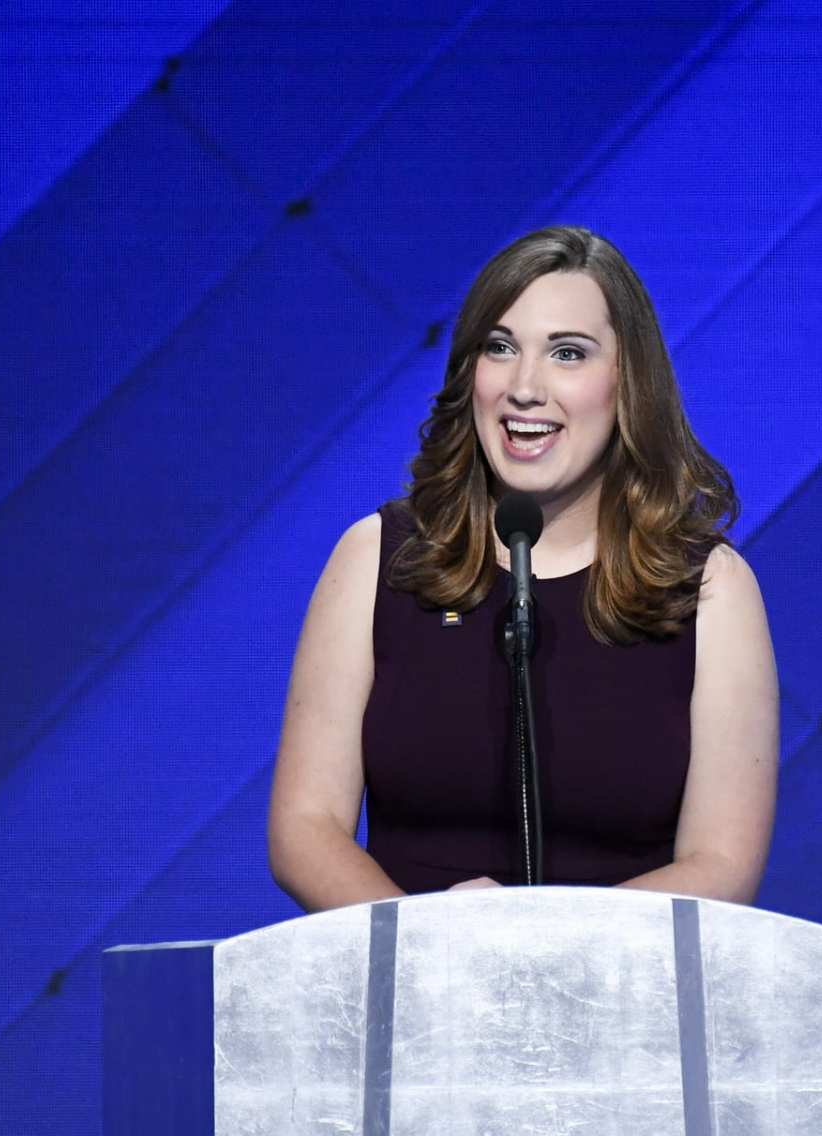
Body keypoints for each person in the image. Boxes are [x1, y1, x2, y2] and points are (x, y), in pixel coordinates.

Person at [268, 225, 777, 908]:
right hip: (411, 987)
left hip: (620, 995)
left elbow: (722, 866)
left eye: (568, 353)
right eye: (500, 348)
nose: (525, 388)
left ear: (628, 384)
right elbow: (306, 829)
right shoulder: (380, 558)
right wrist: (433, 946)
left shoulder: (709, 589)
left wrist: (538, 951)